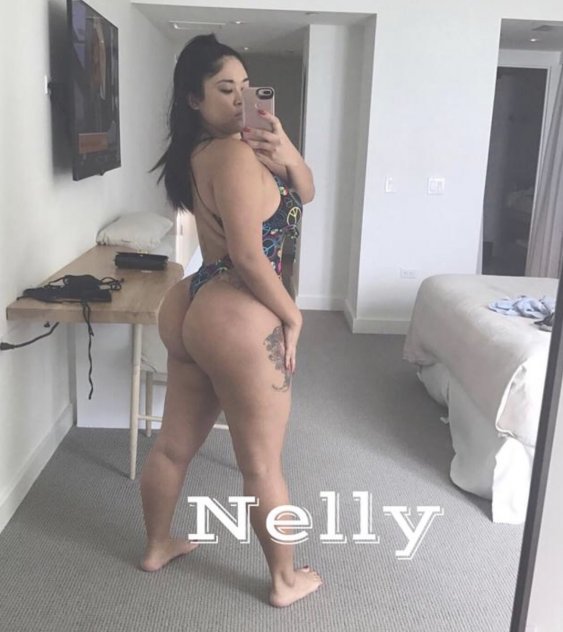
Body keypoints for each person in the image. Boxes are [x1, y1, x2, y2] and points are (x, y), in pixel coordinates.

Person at [139, 34, 322, 608]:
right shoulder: (237, 156)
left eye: (245, 86)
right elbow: (248, 255)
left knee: (173, 446)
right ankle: (284, 581)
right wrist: (291, 315)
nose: (240, 98)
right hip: (237, 309)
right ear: (193, 99)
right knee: (261, 464)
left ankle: (157, 546)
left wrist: (286, 149)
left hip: (194, 301)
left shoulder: (211, 151)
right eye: (224, 89)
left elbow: (305, 190)